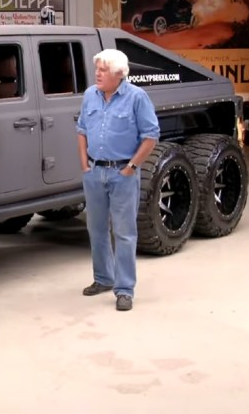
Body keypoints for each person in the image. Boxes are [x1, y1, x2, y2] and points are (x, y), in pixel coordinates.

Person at [76, 48, 160, 311]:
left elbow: (151, 135)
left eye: (103, 70)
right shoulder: (90, 95)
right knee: (96, 229)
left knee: (124, 233)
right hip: (94, 172)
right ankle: (103, 278)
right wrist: (84, 165)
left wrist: (131, 168)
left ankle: (124, 289)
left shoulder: (137, 97)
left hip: (122, 174)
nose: (97, 74)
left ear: (119, 74)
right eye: (97, 68)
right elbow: (81, 130)